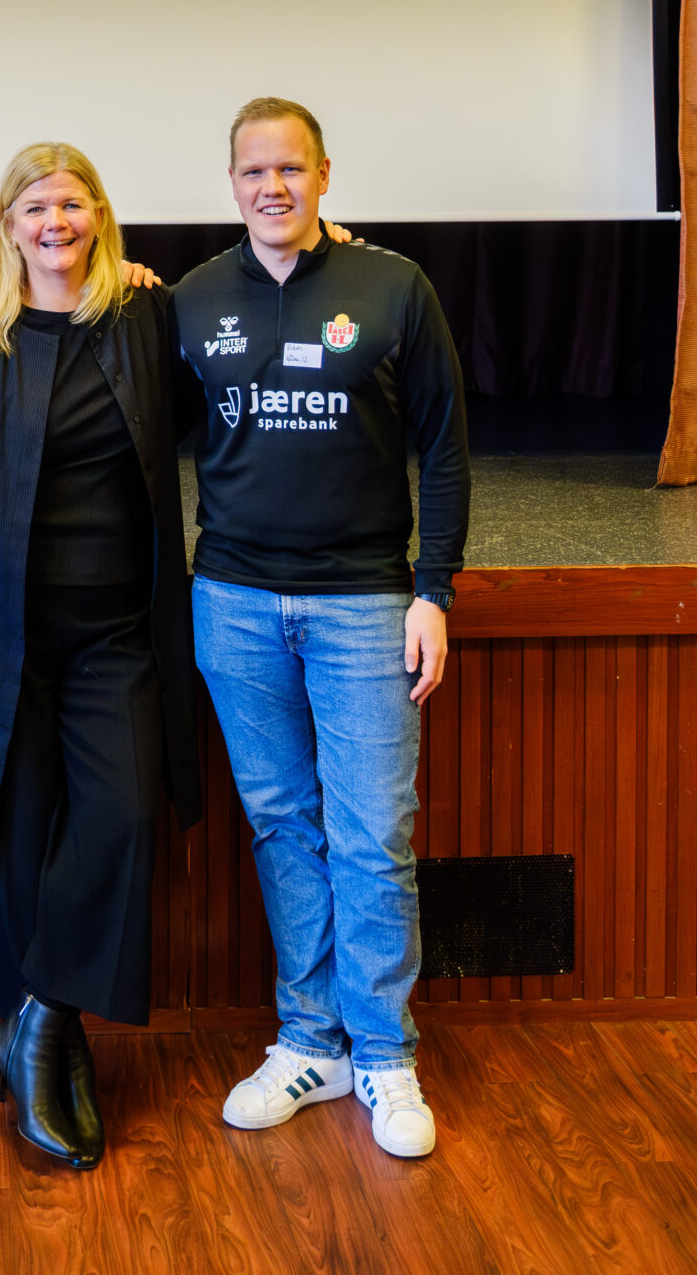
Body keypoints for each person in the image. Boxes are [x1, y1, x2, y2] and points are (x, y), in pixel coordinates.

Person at [171, 97, 469, 1160]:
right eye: (253, 171)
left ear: (325, 173)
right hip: (234, 601)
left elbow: (443, 445)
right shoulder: (193, 298)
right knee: (282, 825)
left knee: (373, 832)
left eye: (290, 168)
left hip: (364, 603)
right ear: (232, 182)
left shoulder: (392, 286)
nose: (272, 187)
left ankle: (385, 1053)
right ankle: (310, 1042)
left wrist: (433, 590)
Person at [0, 142, 201, 1169]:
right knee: (16, 830)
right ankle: (52, 1042)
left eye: (73, 202)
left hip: (118, 631)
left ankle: (39, 1016)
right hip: (5, 633)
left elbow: (238, 323)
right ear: (7, 224)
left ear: (99, 215)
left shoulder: (145, 315)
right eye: (36, 205)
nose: (56, 220)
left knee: (122, 815)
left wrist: (333, 240)